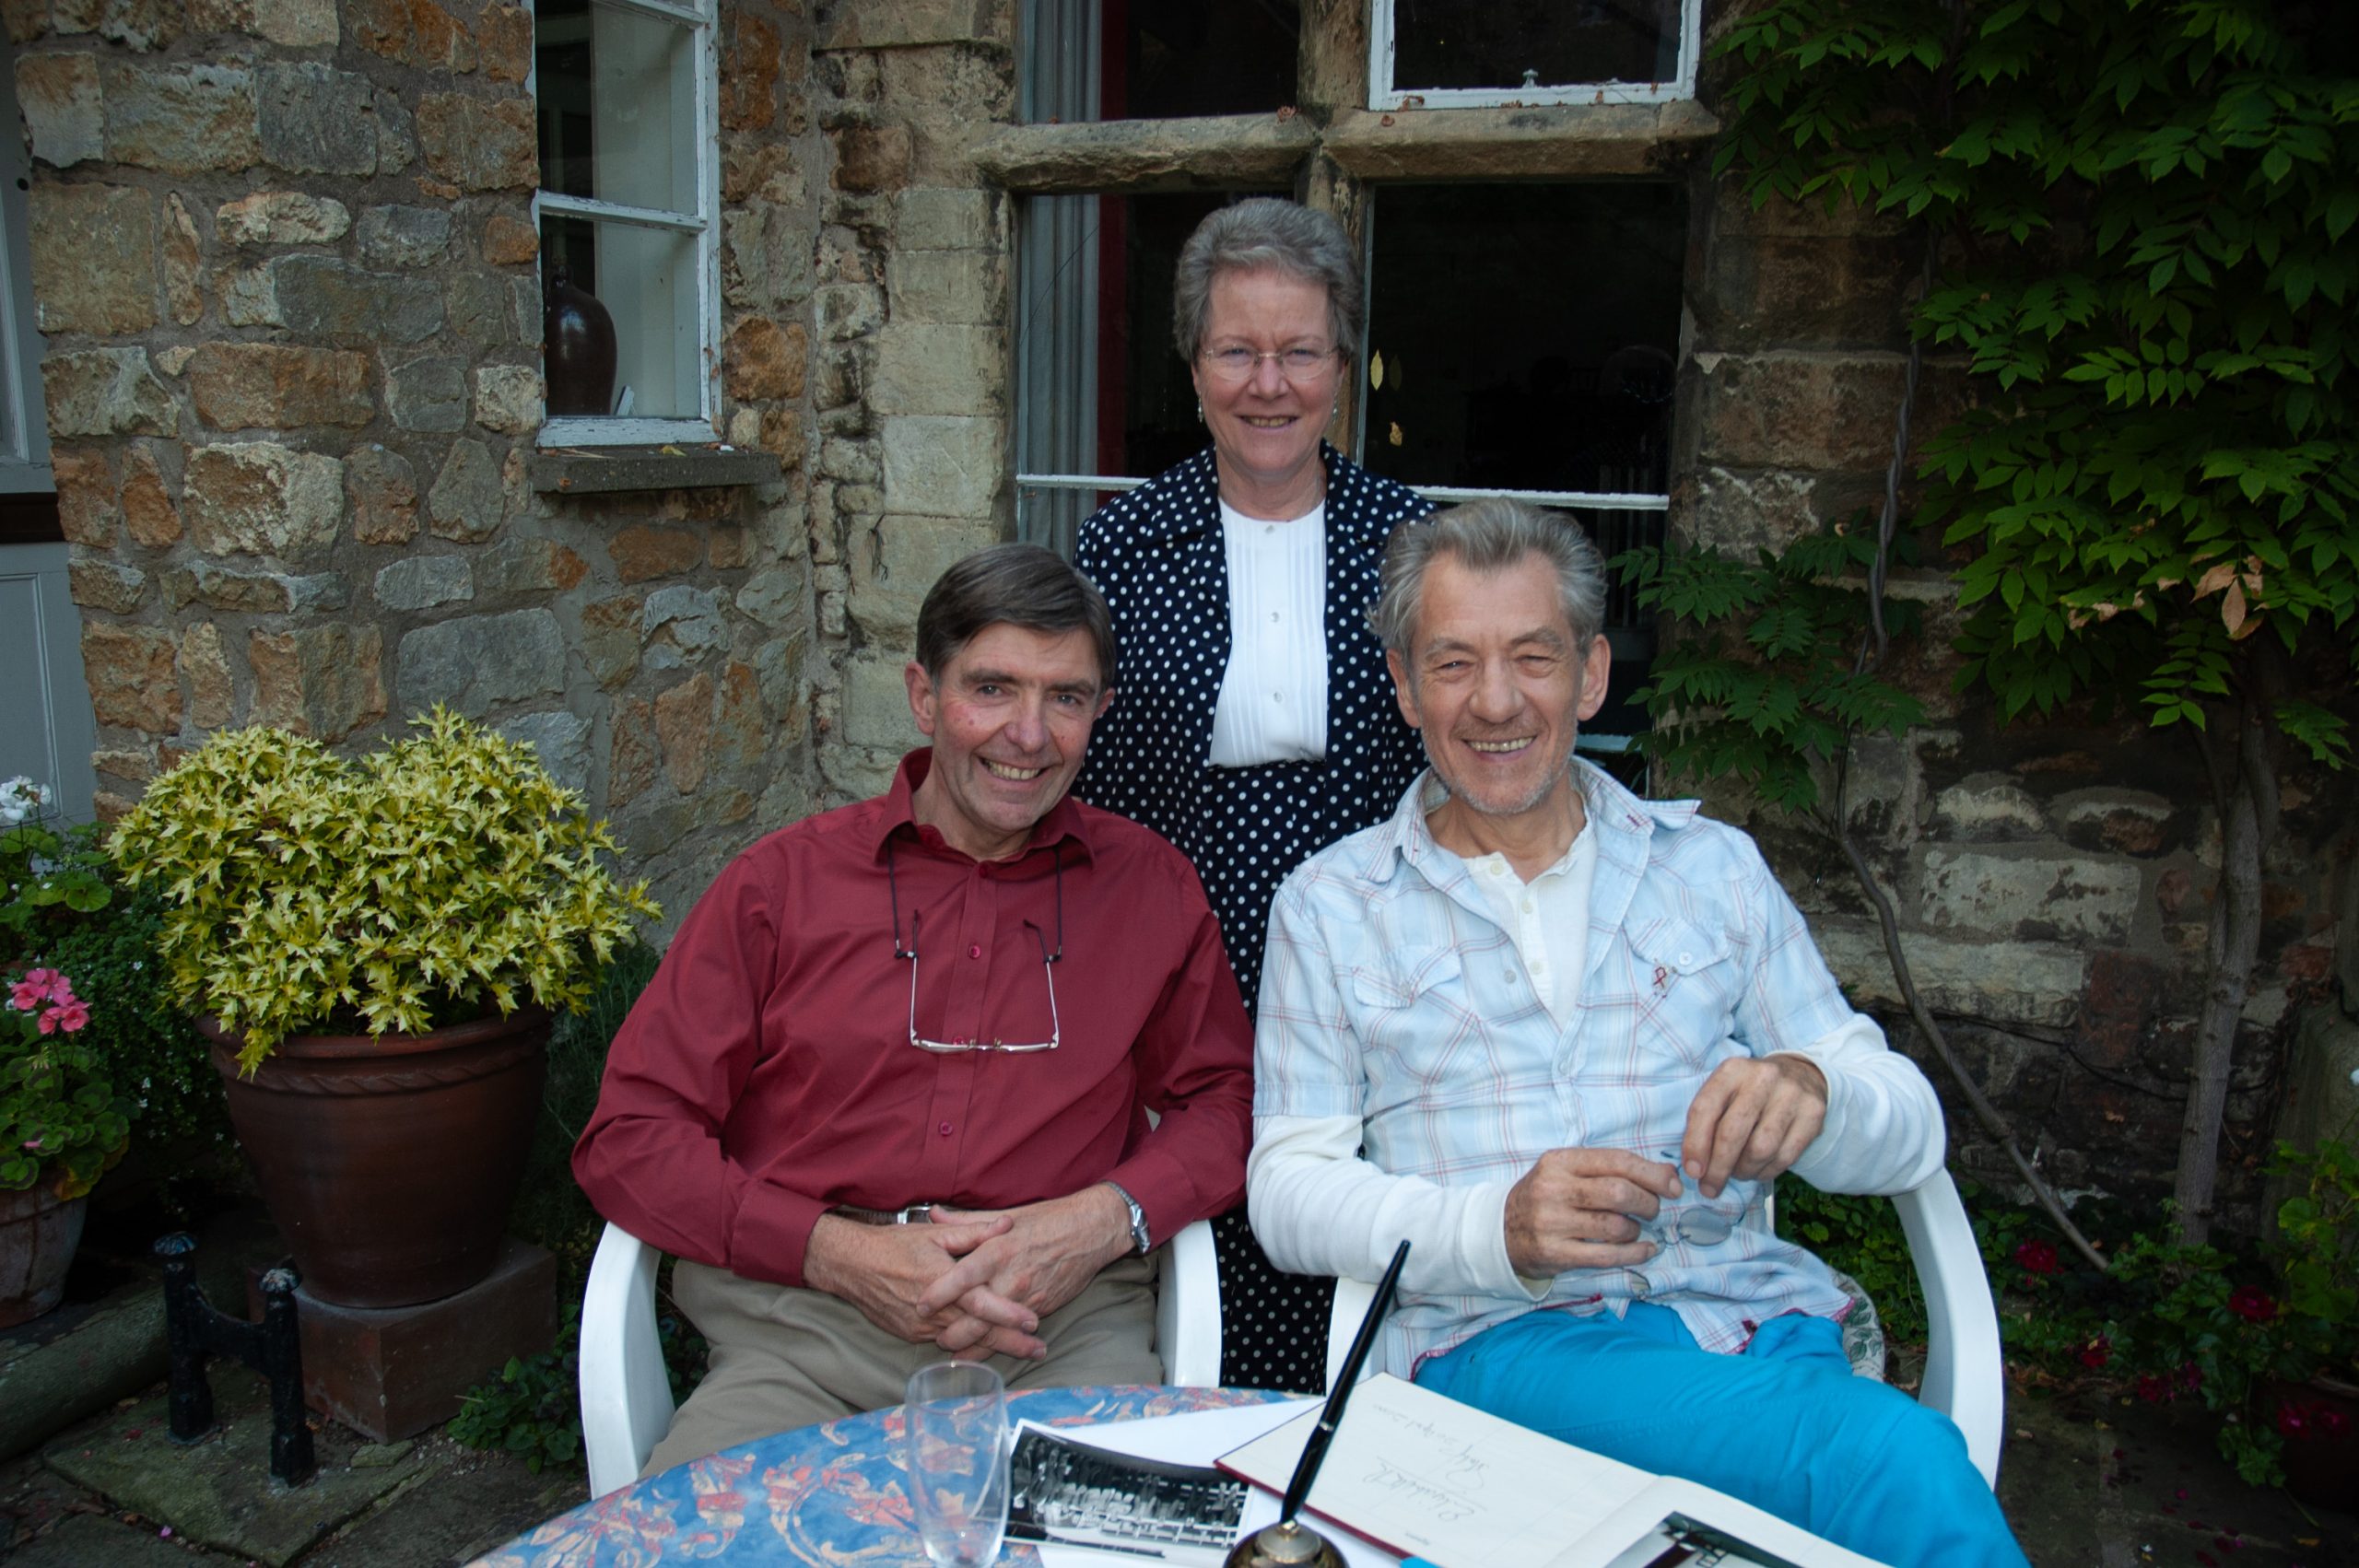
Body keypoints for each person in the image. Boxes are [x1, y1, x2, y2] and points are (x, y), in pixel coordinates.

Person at [1249, 499, 2030, 1566]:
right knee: (1888, 1462)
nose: (1494, 702)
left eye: (1533, 656)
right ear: (1400, 683)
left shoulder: (1712, 870)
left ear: (1591, 673)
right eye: (1451, 663)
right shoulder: (1332, 905)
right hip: (1501, 1346)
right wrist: (1497, 1227)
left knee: (1810, 1482)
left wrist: (1814, 1087)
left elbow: (1907, 1128)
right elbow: (1288, 1192)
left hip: (1750, 1329)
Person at [575, 544, 1254, 1475]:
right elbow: (632, 1135)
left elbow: (1224, 1106)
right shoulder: (781, 885)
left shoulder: (1151, 888)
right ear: (924, 696)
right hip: (805, 1332)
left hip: (1053, 1326)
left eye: (1064, 697)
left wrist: (1095, 1222)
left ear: (1099, 711)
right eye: (992, 688)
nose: (1028, 733)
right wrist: (837, 1254)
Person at [1075, 196, 1435, 1392]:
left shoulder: (1413, 546)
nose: (1268, 382)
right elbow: (1095, 786)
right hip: (1183, 945)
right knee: (1204, 1200)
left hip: (1379, 957)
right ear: (1193, 368)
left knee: (1350, 1196)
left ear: (1344, 365)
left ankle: (1356, 1442)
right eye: (1237, 349)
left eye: (1299, 350)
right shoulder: (1123, 547)